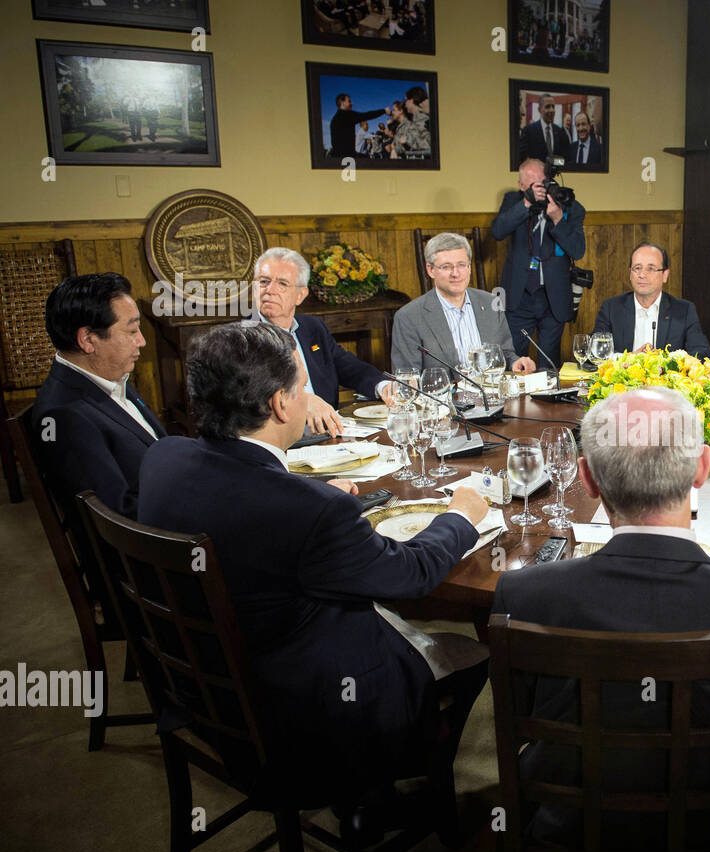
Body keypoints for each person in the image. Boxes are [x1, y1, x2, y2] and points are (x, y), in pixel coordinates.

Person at [138, 321, 492, 815]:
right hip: (299, 708)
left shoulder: (163, 457)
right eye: (303, 387)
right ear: (281, 404)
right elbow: (411, 575)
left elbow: (247, 505)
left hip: (198, 687)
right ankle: (399, 791)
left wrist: (318, 501)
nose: (307, 398)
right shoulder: (307, 510)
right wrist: (461, 515)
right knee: (476, 653)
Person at [491, 386, 710, 852]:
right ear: (704, 468)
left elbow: (519, 726)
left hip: (567, 831)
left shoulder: (521, 594)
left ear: (588, 479)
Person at [30, 273, 166, 519]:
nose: (142, 341)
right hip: (157, 542)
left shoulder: (108, 373)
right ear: (88, 340)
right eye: (132, 330)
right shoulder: (63, 416)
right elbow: (116, 514)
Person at [252, 247, 395, 436]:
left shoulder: (312, 328)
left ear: (301, 295)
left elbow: (348, 366)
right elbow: (251, 395)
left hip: (329, 435)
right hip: (280, 441)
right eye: (264, 282)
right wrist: (302, 400)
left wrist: (383, 386)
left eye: (282, 284)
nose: (270, 291)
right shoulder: (241, 338)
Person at [391, 232, 537, 374]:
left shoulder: (491, 303)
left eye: (461, 265)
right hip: (444, 397)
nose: (455, 273)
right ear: (430, 270)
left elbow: (505, 353)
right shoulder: (409, 317)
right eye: (446, 266)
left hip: (491, 396)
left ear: (469, 267)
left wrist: (515, 362)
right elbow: (407, 377)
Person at [491, 158, 587, 368]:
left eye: (543, 182)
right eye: (533, 185)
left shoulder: (569, 205)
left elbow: (578, 250)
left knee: (549, 364)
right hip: (519, 296)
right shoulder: (513, 200)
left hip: (553, 297)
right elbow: (498, 231)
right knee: (514, 362)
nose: (540, 190)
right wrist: (526, 204)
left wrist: (558, 219)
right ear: (522, 186)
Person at [592, 242, 710, 358]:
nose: (642, 274)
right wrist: (630, 358)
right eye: (637, 268)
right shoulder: (612, 308)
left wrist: (665, 364)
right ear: (630, 274)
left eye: (651, 269)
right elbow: (593, 353)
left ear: (665, 275)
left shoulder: (684, 310)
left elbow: (703, 354)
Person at [328, 93, 387, 160]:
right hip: (347, 158)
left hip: (337, 157)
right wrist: (384, 111)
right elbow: (367, 115)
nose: (352, 103)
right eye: (349, 101)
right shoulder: (347, 115)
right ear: (342, 103)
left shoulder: (334, 119)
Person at [517, 94, 570, 165]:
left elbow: (566, 160)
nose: (551, 110)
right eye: (547, 107)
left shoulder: (560, 132)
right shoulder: (528, 131)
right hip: (535, 174)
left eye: (553, 107)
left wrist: (554, 163)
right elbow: (522, 159)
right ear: (539, 110)